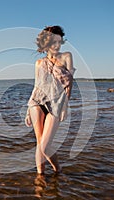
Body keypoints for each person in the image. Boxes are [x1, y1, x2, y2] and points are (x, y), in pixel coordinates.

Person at [25, 25, 75, 174]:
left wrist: (65, 105)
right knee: (39, 142)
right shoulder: (39, 63)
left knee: (45, 146)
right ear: (46, 43)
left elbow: (70, 83)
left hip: (56, 102)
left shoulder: (66, 56)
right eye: (54, 42)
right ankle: (40, 178)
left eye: (60, 42)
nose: (57, 45)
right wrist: (28, 111)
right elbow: (37, 86)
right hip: (37, 102)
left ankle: (57, 169)